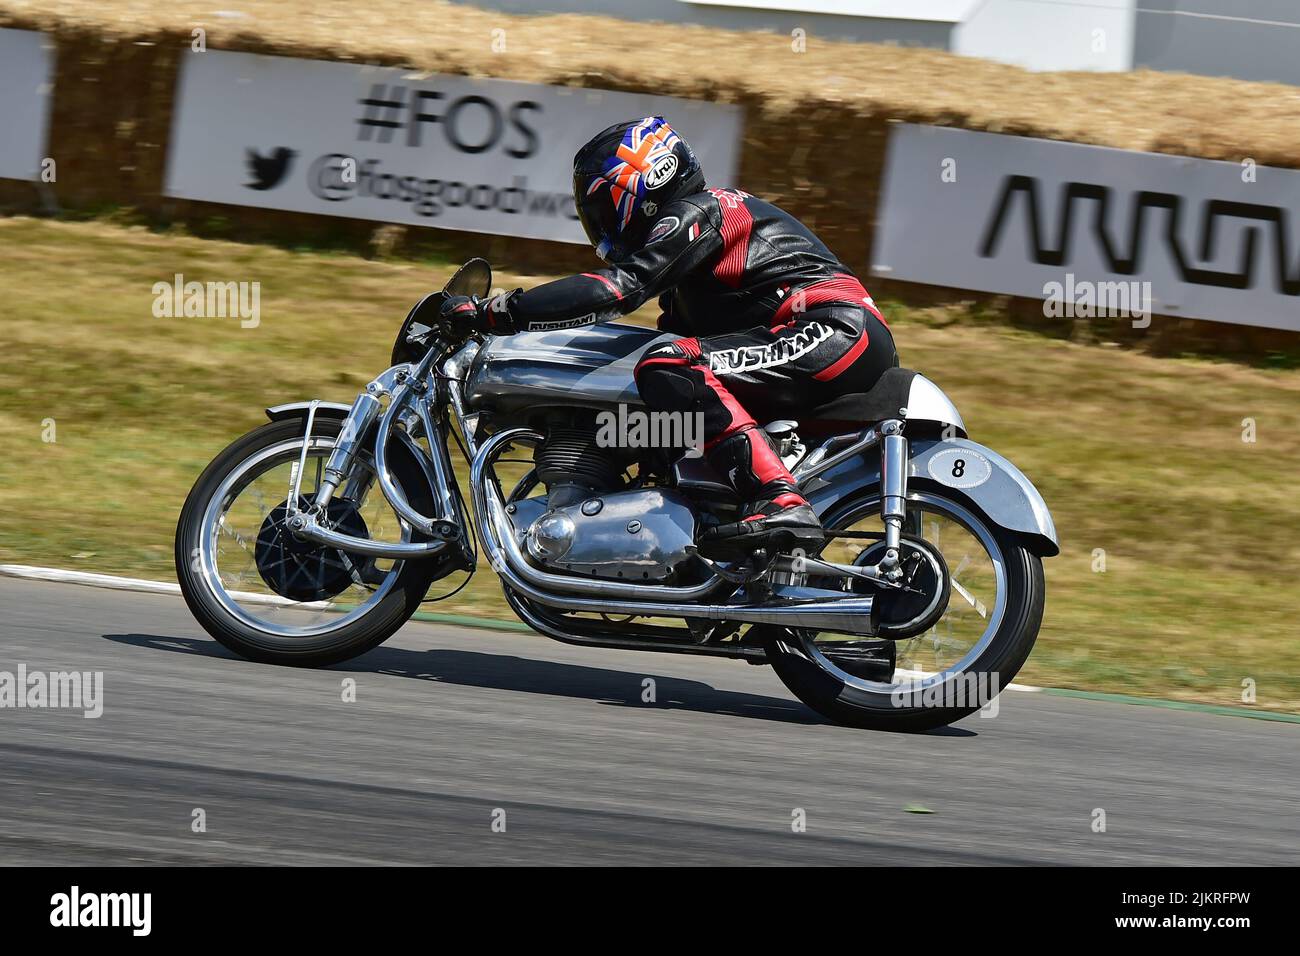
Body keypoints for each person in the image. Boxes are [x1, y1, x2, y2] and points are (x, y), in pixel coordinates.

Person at [442, 116, 896, 557]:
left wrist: (503, 311)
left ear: (642, 185)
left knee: (669, 361)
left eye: (602, 207)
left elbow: (620, 288)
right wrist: (605, 437)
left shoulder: (702, 211)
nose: (599, 223)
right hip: (816, 336)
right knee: (659, 382)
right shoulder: (690, 284)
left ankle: (781, 500)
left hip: (834, 329)